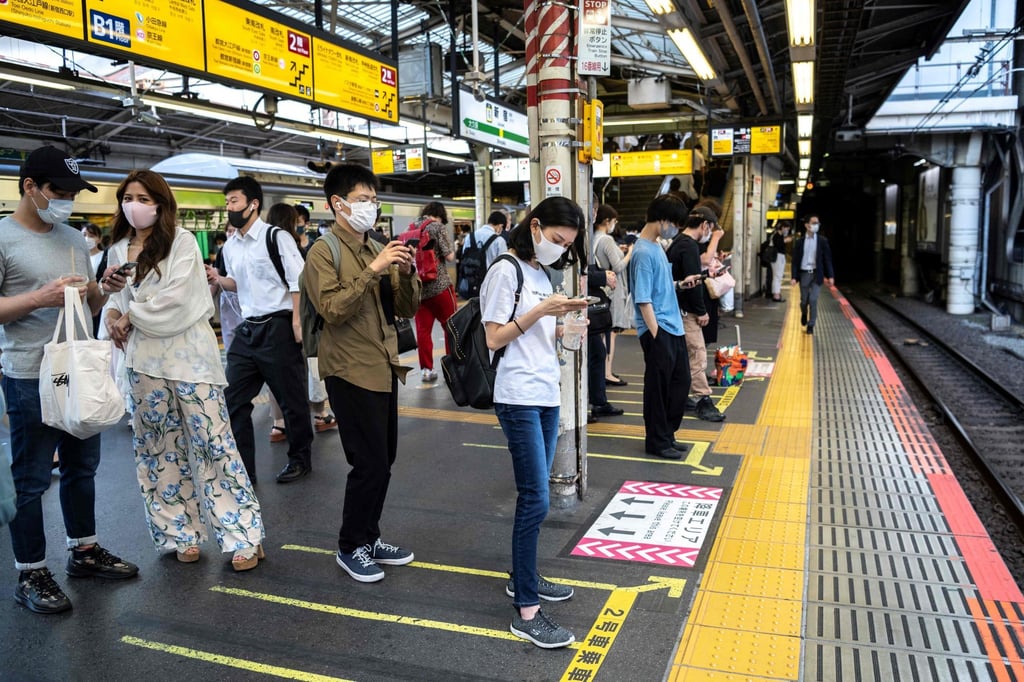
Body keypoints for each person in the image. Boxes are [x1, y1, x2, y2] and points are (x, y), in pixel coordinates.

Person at [0, 145, 138, 615]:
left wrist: (105, 290)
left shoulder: (74, 240)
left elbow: (88, 304)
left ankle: (84, 550)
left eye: (73, 192)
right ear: (30, 187)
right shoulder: (3, 237)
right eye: (59, 191)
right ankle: (30, 570)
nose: (67, 200)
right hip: (28, 376)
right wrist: (39, 298)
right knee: (32, 479)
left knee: (82, 466)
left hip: (79, 369)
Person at [103, 170, 264, 570]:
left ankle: (243, 535)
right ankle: (181, 533)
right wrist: (110, 312)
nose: (133, 205)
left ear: (160, 203)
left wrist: (129, 318)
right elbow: (117, 300)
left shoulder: (183, 242)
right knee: (158, 449)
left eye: (142, 197)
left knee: (215, 444)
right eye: (127, 197)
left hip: (190, 359)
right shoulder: (118, 249)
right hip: (143, 363)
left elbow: (181, 298)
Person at [302, 163, 421, 583]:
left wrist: (405, 274)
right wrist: (373, 271)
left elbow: (404, 309)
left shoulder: (375, 247)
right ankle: (350, 545)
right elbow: (332, 309)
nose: (371, 206)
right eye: (362, 199)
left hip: (383, 364)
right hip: (349, 369)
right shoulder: (323, 252)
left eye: (374, 199)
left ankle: (369, 537)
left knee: (383, 459)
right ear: (338, 204)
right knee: (367, 462)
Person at [479, 196, 589, 649]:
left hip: (546, 394)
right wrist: (543, 312)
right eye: (558, 240)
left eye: (568, 246)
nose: (561, 250)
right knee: (535, 499)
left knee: (536, 496)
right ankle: (526, 609)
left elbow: (537, 334)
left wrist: (565, 326)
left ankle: (524, 576)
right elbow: (494, 336)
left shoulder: (542, 273)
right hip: (517, 396)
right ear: (537, 226)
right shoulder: (505, 269)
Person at [208, 176, 314, 484]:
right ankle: (244, 469)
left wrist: (296, 322)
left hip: (278, 326)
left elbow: (299, 281)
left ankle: (300, 458)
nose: (229, 208)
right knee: (232, 399)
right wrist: (216, 277)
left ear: (253, 204)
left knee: (291, 399)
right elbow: (239, 285)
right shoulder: (230, 246)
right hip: (248, 329)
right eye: (227, 203)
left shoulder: (276, 237)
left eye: (234, 202)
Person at [630, 194, 701, 460]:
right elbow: (643, 299)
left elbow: (657, 288)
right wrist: (656, 334)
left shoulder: (657, 247)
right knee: (659, 390)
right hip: (659, 329)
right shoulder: (643, 252)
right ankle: (658, 441)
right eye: (675, 224)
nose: (676, 229)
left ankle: (667, 435)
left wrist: (681, 284)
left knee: (679, 385)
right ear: (662, 220)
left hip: (673, 327)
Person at [263, 202, 336, 440]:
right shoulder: (296, 246)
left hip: (272, 319)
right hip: (301, 316)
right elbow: (304, 284)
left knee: (277, 372)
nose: (302, 225)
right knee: (310, 365)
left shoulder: (264, 245)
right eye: (298, 221)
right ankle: (318, 413)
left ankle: (279, 422)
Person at [666, 211, 725, 422]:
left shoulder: (677, 242)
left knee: (683, 356)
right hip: (686, 310)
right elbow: (692, 283)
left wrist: (708, 274)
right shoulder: (689, 245)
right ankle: (703, 400)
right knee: (697, 354)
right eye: (711, 229)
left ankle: (679, 397)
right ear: (705, 225)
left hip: (675, 307)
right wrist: (701, 311)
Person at [411, 202, 456, 383]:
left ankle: (426, 370)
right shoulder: (437, 227)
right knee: (451, 327)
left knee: (423, 331)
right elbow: (449, 256)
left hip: (419, 289)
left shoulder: (412, 227)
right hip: (439, 286)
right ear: (440, 215)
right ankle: (451, 368)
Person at [591, 204, 632, 387]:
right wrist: (630, 253)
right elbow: (618, 267)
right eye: (614, 221)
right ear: (607, 221)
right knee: (611, 333)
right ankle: (607, 372)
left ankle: (602, 371)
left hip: (601, 289)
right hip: (612, 290)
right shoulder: (606, 239)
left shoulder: (592, 238)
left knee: (602, 334)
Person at [790, 214, 835, 334]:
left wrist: (830, 276)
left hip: (817, 274)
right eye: (814, 223)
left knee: (813, 299)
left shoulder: (822, 241)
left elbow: (827, 259)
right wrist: (794, 277)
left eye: (818, 223)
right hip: (804, 274)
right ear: (807, 225)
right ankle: (804, 313)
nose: (816, 225)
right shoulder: (800, 242)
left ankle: (811, 324)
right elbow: (795, 261)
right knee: (804, 301)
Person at [769, 222, 791, 303]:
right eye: (786, 228)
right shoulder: (776, 236)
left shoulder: (781, 236)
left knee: (778, 276)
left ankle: (776, 293)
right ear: (782, 227)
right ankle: (776, 295)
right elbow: (778, 245)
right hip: (777, 257)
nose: (787, 230)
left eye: (788, 229)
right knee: (777, 276)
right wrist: (784, 241)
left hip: (780, 257)